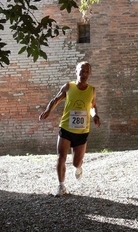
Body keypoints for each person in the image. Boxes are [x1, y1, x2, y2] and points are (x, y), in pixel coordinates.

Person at [39, 61, 101, 196]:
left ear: (89, 74)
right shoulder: (68, 86)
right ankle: (61, 186)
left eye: (87, 72)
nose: (84, 74)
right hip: (66, 128)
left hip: (82, 131)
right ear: (76, 71)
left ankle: (78, 167)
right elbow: (55, 100)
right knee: (61, 157)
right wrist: (48, 111)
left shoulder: (92, 90)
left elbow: (92, 106)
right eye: (81, 70)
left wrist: (95, 115)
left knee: (76, 162)